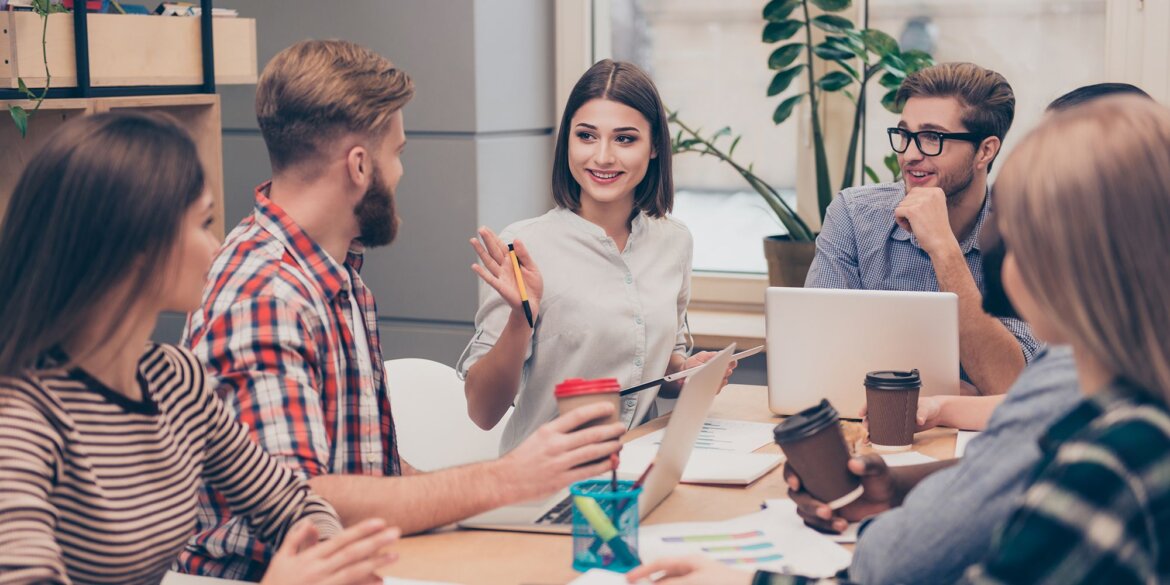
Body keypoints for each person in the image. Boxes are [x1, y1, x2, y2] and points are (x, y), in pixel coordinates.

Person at [629, 86, 1168, 585]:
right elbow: (1010, 449)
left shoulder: (1111, 450)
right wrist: (899, 484)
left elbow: (893, 562)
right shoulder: (1111, 395)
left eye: (1024, 222)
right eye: (905, 135)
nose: (912, 153)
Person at [178, 40, 625, 580]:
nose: (402, 173)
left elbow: (372, 476)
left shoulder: (337, 277)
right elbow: (302, 502)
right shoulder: (266, 295)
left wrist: (506, 498)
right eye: (399, 153)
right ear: (360, 166)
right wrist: (507, 479)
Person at [0, 113, 400, 585]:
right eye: (203, 222)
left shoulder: (174, 380)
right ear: (137, 248)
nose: (217, 247)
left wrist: (332, 560)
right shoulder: (22, 417)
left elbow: (294, 502)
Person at [458, 59, 735, 454]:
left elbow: (661, 361)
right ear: (567, 142)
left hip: (639, 473)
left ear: (654, 146)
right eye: (586, 136)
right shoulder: (523, 246)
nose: (603, 157)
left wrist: (686, 372)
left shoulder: (674, 242)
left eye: (625, 139)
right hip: (543, 482)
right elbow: (482, 411)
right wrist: (522, 318)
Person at [807, 62, 1038, 396]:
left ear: (985, 150)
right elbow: (818, 355)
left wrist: (944, 249)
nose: (910, 155)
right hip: (866, 424)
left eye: (932, 137)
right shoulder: (854, 214)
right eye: (904, 134)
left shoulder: (1024, 232)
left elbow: (1009, 386)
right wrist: (946, 390)